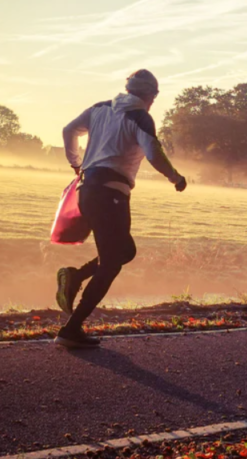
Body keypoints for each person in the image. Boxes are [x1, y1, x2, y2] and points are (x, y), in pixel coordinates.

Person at [54, 69, 187, 348]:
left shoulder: (100, 108)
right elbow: (154, 153)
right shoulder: (140, 117)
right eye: (154, 96)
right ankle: (71, 329)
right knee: (112, 262)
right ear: (150, 95)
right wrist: (176, 178)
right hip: (110, 194)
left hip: (87, 189)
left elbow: (68, 130)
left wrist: (76, 164)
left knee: (125, 251)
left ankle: (75, 276)